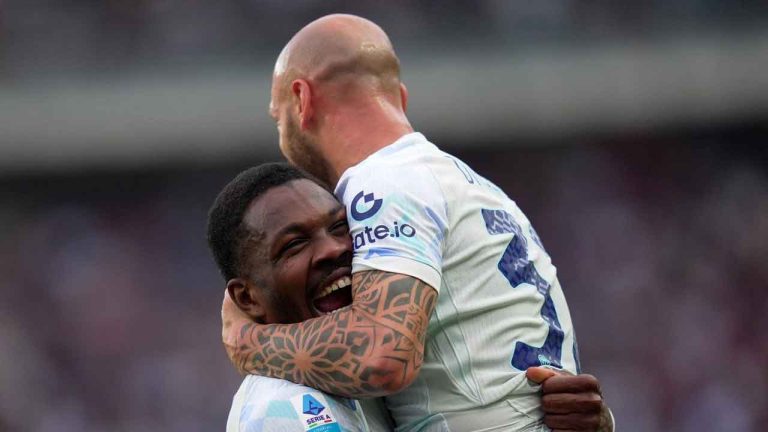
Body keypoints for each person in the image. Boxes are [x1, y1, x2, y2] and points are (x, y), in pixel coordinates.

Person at [223, 14, 614, 431]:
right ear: (400, 100)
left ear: (301, 101)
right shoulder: (468, 185)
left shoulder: (384, 183)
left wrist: (248, 341)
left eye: (277, 118)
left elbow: (382, 359)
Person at [209, 163, 394, 431]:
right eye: (294, 244)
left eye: (339, 226)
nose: (333, 249)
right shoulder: (282, 410)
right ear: (248, 299)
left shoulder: (375, 380)